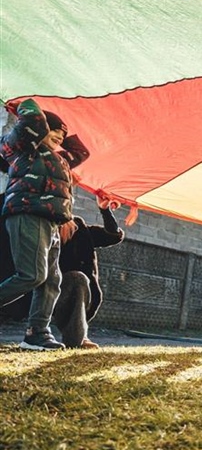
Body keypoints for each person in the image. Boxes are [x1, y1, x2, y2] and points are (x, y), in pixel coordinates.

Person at [0, 100, 89, 350]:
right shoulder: (22, 148)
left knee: (51, 280)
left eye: (62, 134)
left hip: (51, 221)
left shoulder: (60, 159)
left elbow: (81, 152)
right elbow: (32, 117)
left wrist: (61, 132)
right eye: (54, 131)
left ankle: (37, 333)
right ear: (40, 129)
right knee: (32, 275)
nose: (60, 137)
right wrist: (23, 108)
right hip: (28, 214)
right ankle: (37, 331)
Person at [49, 198, 124, 348]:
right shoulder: (46, 228)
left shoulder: (81, 228)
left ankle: (80, 336)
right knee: (77, 278)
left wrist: (105, 210)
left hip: (86, 292)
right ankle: (75, 338)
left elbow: (114, 236)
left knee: (80, 281)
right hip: (52, 289)